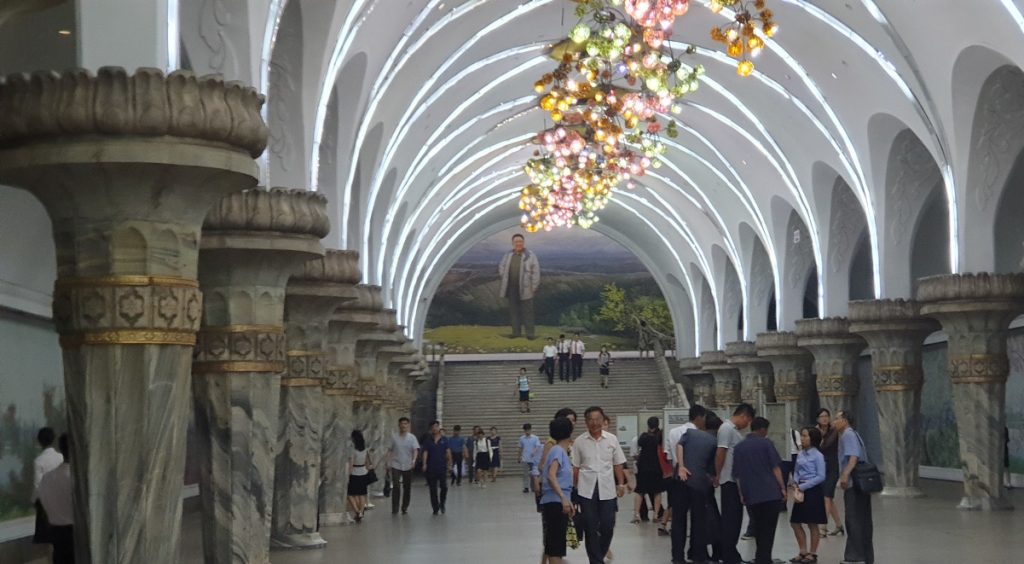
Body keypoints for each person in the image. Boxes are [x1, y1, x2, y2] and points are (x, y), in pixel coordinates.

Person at [571, 406, 627, 564]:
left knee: (608, 525)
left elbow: (618, 464)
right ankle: (596, 561)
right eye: (591, 419)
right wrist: (573, 492)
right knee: (589, 526)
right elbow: (575, 468)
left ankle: (599, 555)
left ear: (603, 421)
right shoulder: (579, 442)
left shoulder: (612, 439)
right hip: (586, 490)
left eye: (598, 419)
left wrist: (621, 484)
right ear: (586, 422)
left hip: (607, 488)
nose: (594, 423)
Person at [733, 417, 786, 564]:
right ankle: (764, 558)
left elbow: (737, 474)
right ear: (763, 429)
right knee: (768, 529)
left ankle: (761, 557)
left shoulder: (739, 447)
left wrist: (742, 493)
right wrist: (782, 487)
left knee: (757, 526)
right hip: (770, 493)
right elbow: (775, 468)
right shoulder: (766, 444)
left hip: (751, 494)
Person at [674, 409, 719, 564]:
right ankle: (698, 556)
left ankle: (677, 557)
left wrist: (681, 466)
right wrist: (715, 479)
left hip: (680, 480)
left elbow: (679, 446)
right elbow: (712, 468)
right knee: (698, 521)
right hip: (699, 485)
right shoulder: (715, 443)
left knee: (678, 521)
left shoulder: (690, 433)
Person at [716, 403, 755, 564]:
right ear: (744, 416)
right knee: (731, 520)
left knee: (735, 519)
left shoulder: (733, 431)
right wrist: (717, 474)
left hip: (735, 480)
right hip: (729, 480)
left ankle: (731, 552)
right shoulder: (726, 429)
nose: (747, 425)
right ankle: (728, 554)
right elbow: (721, 452)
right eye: (748, 421)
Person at [660, 404, 706, 536]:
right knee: (697, 510)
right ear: (699, 417)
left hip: (677, 474)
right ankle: (695, 539)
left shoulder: (673, 432)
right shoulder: (699, 435)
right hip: (695, 475)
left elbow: (669, 456)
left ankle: (678, 542)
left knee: (678, 510)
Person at [835, 410, 874, 564]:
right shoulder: (854, 434)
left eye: (837, 419)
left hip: (854, 483)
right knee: (862, 519)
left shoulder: (847, 435)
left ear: (845, 420)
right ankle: (865, 555)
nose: (834, 422)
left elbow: (853, 456)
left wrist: (845, 474)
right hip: (861, 484)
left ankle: (855, 556)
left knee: (853, 519)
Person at [540, 416, 576, 564]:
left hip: (555, 502)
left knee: (553, 546)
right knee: (556, 549)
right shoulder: (557, 451)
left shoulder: (559, 450)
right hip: (555, 503)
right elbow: (551, 475)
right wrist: (563, 498)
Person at [790, 426, 827, 563]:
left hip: (812, 490)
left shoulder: (818, 455)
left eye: (806, 436)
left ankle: (813, 553)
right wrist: (796, 482)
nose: (803, 439)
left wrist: (804, 486)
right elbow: (797, 470)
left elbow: (821, 476)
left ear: (813, 439)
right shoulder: (800, 454)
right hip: (800, 489)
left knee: (812, 523)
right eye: (802, 436)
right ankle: (802, 550)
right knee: (795, 522)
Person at [37, 433, 72, 564]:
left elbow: (42, 500)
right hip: (77, 534)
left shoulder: (47, 478)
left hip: (56, 532)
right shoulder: (78, 480)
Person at [498, 233, 541, 339]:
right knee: (514, 311)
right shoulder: (508, 255)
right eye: (516, 242)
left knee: (528, 312)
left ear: (523, 243)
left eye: (520, 241)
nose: (518, 243)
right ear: (513, 243)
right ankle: (516, 333)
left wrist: (534, 286)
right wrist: (504, 276)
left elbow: (536, 271)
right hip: (511, 289)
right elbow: (501, 266)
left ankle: (530, 334)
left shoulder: (530, 255)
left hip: (526, 289)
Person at [815, 408, 844, 536]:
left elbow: (824, 446)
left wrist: (819, 438)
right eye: (821, 416)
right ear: (817, 419)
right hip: (820, 468)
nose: (824, 418)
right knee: (827, 498)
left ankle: (823, 527)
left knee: (827, 496)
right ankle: (839, 525)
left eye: (826, 416)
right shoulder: (815, 431)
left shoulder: (833, 430)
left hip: (832, 467)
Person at [32, 427, 62, 545]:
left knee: (47, 538)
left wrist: (34, 501)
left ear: (39, 442)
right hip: (61, 500)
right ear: (53, 440)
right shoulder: (61, 457)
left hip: (46, 504)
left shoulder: (38, 461)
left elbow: (37, 485)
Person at [632, 417, 665, 524]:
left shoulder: (643, 436)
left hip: (643, 467)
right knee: (657, 491)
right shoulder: (660, 436)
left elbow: (640, 445)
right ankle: (656, 514)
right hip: (656, 467)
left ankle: (637, 514)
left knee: (639, 491)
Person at [387, 417, 420, 515]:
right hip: (396, 464)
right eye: (402, 423)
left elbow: (415, 450)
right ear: (399, 425)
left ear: (408, 425)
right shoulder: (394, 437)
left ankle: (405, 506)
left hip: (408, 464)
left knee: (407, 487)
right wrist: (388, 462)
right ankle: (395, 508)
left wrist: (414, 460)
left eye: (405, 423)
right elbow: (390, 450)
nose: (403, 425)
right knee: (396, 486)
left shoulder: (412, 437)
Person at [422, 421, 452, 515]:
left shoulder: (444, 440)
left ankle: (442, 503)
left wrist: (450, 464)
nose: (434, 428)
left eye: (436, 426)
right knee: (432, 488)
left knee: (444, 487)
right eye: (433, 427)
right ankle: (435, 507)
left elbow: (448, 452)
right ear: (431, 429)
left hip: (442, 466)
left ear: (439, 427)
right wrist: (424, 464)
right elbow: (425, 452)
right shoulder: (428, 440)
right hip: (431, 467)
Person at [347, 429, 372, 522]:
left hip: (354, 472)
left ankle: (357, 511)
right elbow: (367, 462)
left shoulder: (352, 450)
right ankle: (361, 512)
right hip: (363, 472)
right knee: (362, 494)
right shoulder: (365, 449)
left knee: (350, 494)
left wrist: (348, 474)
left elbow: (351, 463)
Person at [521, 423, 542, 493]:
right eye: (526, 430)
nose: (527, 431)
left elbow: (538, 446)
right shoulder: (521, 438)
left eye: (528, 430)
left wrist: (534, 452)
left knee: (534, 474)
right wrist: (519, 457)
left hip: (533, 459)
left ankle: (533, 487)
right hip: (525, 458)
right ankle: (526, 487)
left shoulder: (535, 438)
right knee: (526, 474)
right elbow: (520, 448)